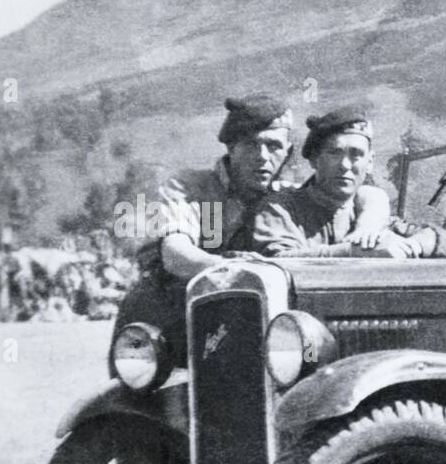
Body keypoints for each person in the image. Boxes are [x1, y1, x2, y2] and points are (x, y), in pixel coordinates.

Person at [116, 94, 392, 362]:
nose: (262, 157)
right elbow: (177, 256)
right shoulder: (193, 188)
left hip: (241, 316)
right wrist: (238, 271)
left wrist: (365, 228)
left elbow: (365, 194)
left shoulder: (286, 196)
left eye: (273, 146)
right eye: (251, 144)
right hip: (168, 313)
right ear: (231, 147)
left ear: (287, 152)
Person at [252, 106, 446, 259]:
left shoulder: (368, 213)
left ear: (369, 163)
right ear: (315, 160)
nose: (345, 165)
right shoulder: (281, 208)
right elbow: (278, 259)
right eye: (334, 153)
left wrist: (410, 246)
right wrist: (354, 252)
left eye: (356, 155)